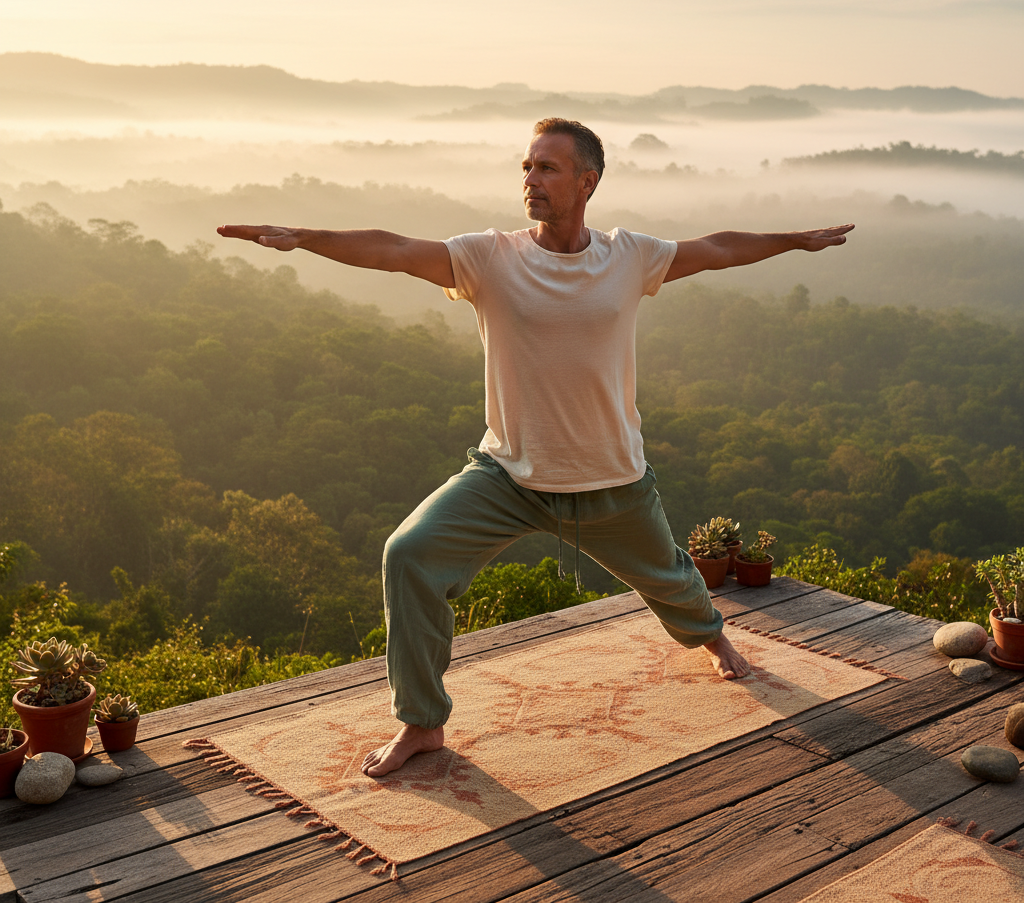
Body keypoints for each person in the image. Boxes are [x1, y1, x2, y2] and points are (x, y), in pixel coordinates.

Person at [219, 117, 853, 778]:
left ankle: (713, 637)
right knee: (409, 556)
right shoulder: (490, 257)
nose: (530, 179)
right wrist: (305, 239)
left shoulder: (628, 255)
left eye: (547, 168)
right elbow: (394, 248)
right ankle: (422, 723)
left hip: (609, 480)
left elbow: (717, 247)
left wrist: (793, 241)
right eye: (526, 167)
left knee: (670, 579)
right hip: (507, 477)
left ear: (588, 182)